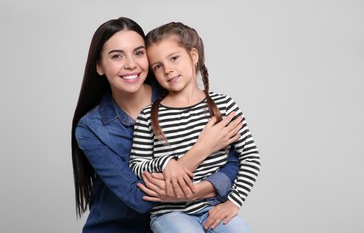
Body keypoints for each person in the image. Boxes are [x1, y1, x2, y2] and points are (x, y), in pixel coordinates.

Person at [71, 17, 245, 233]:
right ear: (99, 66)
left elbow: (234, 159)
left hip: (192, 219)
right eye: (117, 56)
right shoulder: (90, 129)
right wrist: (202, 149)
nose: (131, 64)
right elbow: (139, 198)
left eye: (138, 53)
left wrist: (203, 190)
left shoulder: (176, 91)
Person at [129, 22, 261, 233]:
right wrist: (166, 163)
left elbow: (250, 157)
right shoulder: (148, 115)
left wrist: (233, 203)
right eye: (158, 66)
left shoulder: (224, 106)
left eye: (174, 58)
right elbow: (137, 164)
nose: (167, 69)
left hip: (213, 206)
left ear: (193, 55)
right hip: (170, 213)